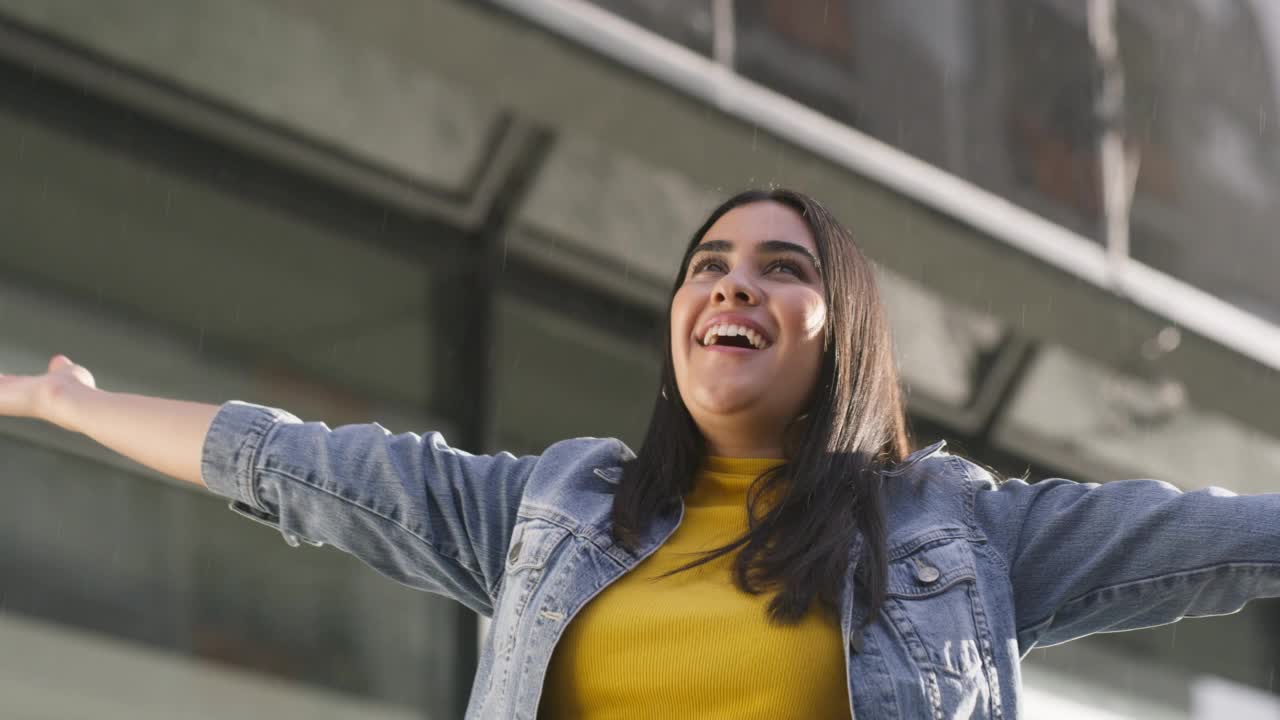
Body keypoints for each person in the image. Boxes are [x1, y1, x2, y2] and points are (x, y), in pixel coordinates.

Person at [3, 188, 1280, 719]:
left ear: (843, 334)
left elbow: (1225, 541)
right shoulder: (553, 509)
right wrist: (68, 406)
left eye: (782, 270)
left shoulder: (949, 530)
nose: (732, 286)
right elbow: (296, 468)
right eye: (707, 267)